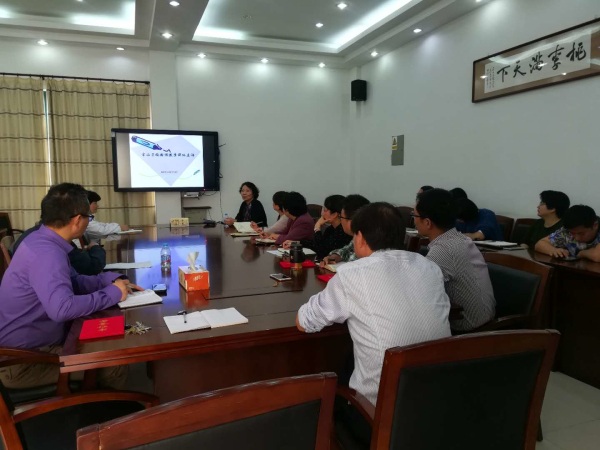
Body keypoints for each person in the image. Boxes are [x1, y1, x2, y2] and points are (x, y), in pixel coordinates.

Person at [296, 202, 450, 446]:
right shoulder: (429, 267)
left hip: (378, 417)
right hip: (438, 402)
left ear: (360, 238)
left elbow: (305, 322)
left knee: (334, 383)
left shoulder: (352, 273)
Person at [0, 183, 141, 390]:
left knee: (107, 338)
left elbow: (74, 282)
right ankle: (107, 411)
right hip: (24, 361)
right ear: (77, 221)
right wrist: (111, 294)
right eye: (88, 218)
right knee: (114, 363)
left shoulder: (41, 240)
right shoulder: (47, 254)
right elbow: (62, 308)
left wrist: (109, 280)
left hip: (32, 346)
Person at [414, 188, 495, 331]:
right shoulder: (459, 239)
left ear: (427, 222)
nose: (413, 220)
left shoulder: (444, 250)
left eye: (414, 215)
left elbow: (418, 291)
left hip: (470, 331)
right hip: (483, 319)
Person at [13, 222, 106, 275]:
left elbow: (75, 280)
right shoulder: (52, 246)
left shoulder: (34, 233)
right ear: (77, 219)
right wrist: (96, 247)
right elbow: (92, 267)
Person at [535, 205, 600, 261]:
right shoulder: (566, 230)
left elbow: (597, 256)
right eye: (572, 233)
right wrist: (553, 250)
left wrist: (582, 253)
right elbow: (540, 244)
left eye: (581, 233)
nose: (577, 238)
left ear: (595, 225)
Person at [321, 194, 369, 266]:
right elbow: (347, 250)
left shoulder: (368, 239)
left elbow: (354, 264)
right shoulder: (358, 234)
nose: (340, 220)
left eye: (341, 217)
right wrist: (335, 256)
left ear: (350, 221)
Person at [311, 195, 352, 259]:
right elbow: (316, 244)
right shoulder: (330, 229)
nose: (322, 214)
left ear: (334, 214)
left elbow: (322, 252)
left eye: (325, 210)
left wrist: (317, 228)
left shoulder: (344, 232)